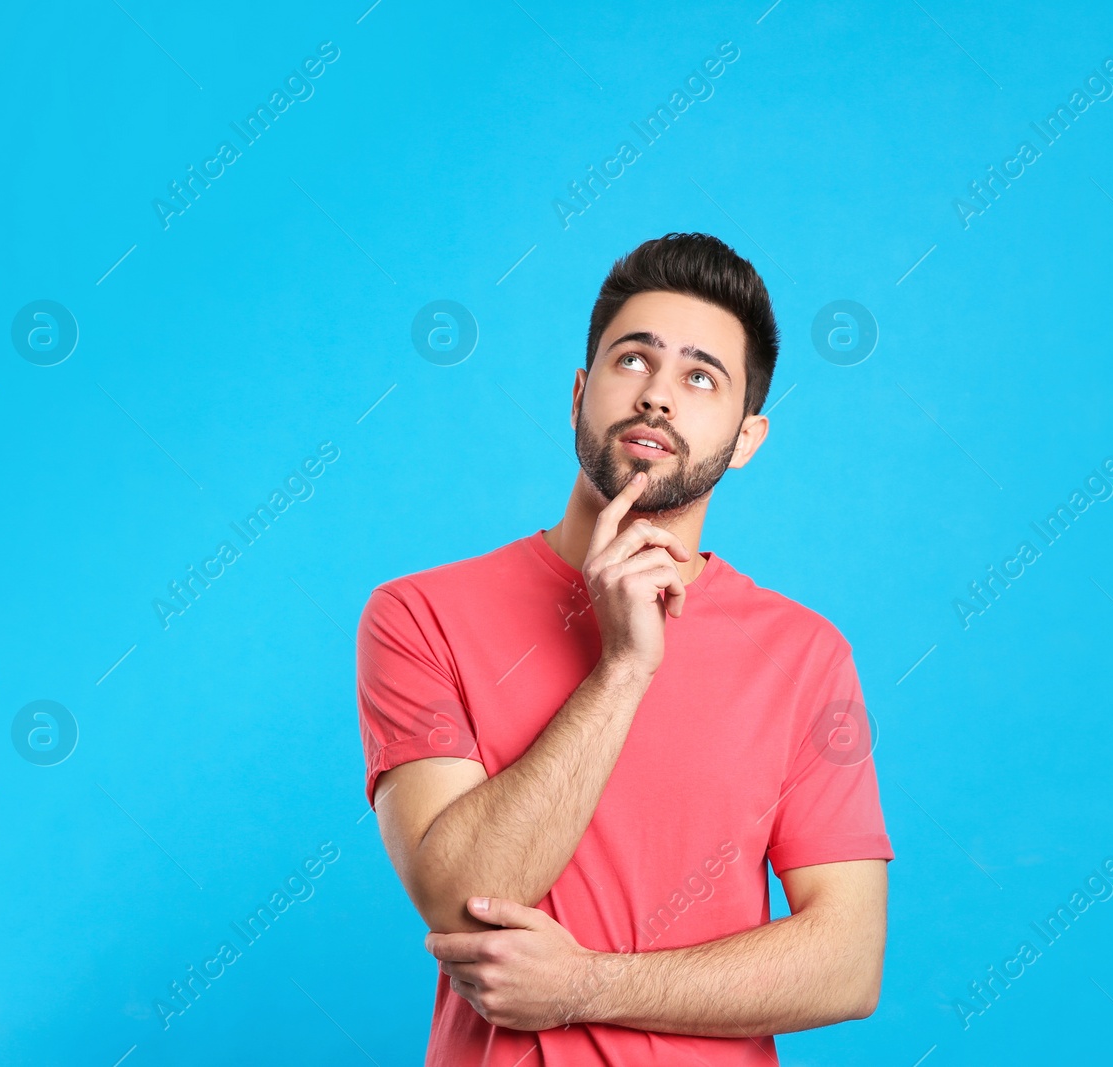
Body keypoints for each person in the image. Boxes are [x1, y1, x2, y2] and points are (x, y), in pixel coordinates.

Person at [356, 232, 894, 1065]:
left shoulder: (804, 654)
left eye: (701, 377)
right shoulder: (420, 614)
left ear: (747, 438)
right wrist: (623, 668)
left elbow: (847, 963)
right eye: (633, 361)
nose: (658, 397)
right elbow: (462, 901)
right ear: (578, 393)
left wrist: (587, 985)